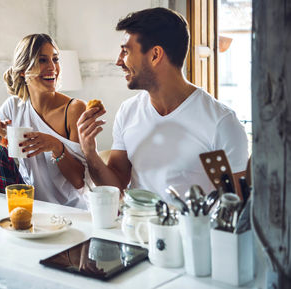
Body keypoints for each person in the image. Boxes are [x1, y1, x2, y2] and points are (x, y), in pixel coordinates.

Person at [77, 8, 248, 199]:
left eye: (125, 51)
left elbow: (236, 205)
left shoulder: (222, 122)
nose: (118, 61)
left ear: (155, 55)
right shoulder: (128, 111)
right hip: (134, 227)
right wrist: (90, 153)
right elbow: (116, 185)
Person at [0, 33, 89, 209]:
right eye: (42, 60)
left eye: (55, 59)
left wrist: (56, 146)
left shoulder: (74, 109)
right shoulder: (14, 106)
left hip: (69, 210)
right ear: (23, 71)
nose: (52, 67)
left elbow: (79, 182)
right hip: (29, 206)